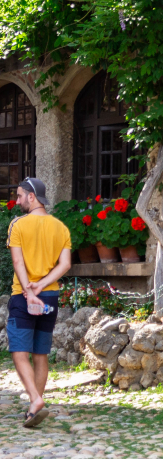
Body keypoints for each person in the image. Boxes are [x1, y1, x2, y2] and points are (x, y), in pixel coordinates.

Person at [6, 177, 72, 428]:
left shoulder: (18, 225)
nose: (18, 200)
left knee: (19, 352)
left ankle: (35, 399)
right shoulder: (60, 227)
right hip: (49, 296)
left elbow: (18, 263)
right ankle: (35, 407)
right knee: (41, 353)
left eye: (21, 196)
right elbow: (65, 265)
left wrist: (29, 290)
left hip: (23, 296)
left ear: (32, 197)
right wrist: (42, 286)